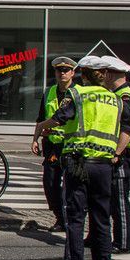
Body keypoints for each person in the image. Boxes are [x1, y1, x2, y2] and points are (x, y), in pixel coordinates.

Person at [32, 55, 130, 260]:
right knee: (101, 221)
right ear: (103, 75)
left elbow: (59, 118)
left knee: (75, 221)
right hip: (104, 166)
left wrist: (42, 127)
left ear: (82, 75)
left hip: (78, 163)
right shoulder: (115, 99)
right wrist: (117, 151)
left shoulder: (79, 94)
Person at [101, 55, 130, 254]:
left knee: (119, 199)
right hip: (119, 153)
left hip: (123, 155)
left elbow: (127, 129)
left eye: (103, 73)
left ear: (110, 75)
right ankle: (104, 237)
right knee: (110, 198)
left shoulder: (125, 97)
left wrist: (117, 153)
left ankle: (122, 242)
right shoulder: (118, 94)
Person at [31, 56, 77, 232]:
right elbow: (41, 118)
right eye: (59, 70)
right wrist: (35, 139)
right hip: (52, 146)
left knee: (71, 185)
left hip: (71, 145)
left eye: (66, 70)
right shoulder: (49, 92)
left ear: (72, 73)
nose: (62, 73)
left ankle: (71, 218)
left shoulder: (78, 93)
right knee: (50, 183)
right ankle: (60, 217)